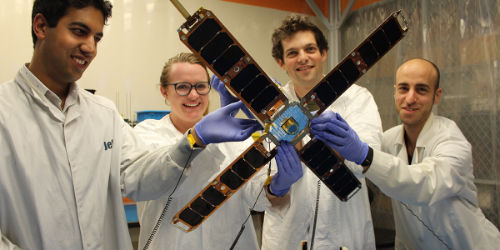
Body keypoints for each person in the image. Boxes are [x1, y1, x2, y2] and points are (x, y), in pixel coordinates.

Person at [0, 1, 260, 249]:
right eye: (79, 31)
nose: (90, 47)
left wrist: (194, 140)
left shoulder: (103, 114)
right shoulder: (5, 113)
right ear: (41, 26)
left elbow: (139, 179)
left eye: (97, 38)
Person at [312, 58, 500, 249]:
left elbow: (425, 186)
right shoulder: (389, 140)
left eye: (421, 89)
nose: (410, 98)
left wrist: (364, 154)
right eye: (403, 88)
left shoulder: (452, 141)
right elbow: (362, 170)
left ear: (436, 96)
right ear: (395, 92)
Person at [134, 53, 298, 249]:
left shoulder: (234, 137)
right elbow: (150, 184)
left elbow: (257, 201)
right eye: (182, 87)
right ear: (164, 92)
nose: (193, 95)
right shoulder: (145, 134)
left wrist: (276, 187)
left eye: (201, 86)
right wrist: (198, 138)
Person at [259, 15, 383, 250]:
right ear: (281, 62)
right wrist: (278, 184)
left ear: (324, 53)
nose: (303, 58)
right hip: (288, 236)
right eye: (292, 53)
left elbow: (371, 156)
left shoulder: (357, 98)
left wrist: (345, 147)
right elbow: (260, 187)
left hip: (344, 230)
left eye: (310, 49)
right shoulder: (270, 108)